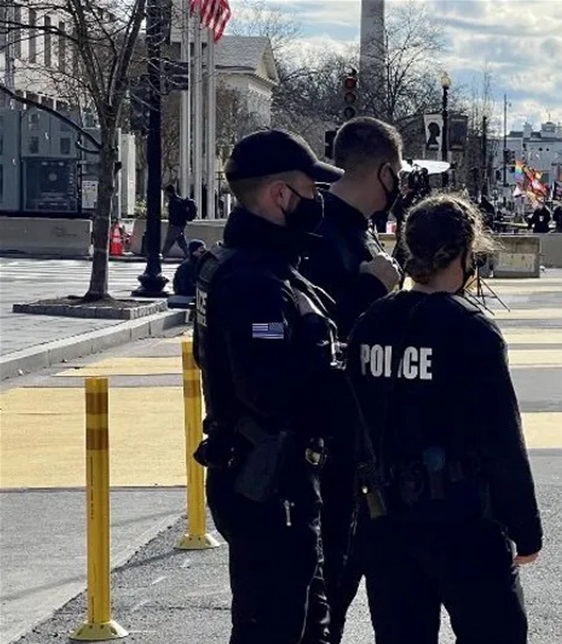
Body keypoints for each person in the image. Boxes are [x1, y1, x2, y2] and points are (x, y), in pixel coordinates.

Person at [347, 194, 543, 643]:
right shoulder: (471, 330)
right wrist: (524, 526)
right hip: (463, 519)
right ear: (464, 252)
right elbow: (501, 438)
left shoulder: (372, 322)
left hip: (386, 518)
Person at [191, 129, 348, 644]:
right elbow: (269, 390)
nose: (317, 202)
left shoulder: (262, 267)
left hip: (274, 477)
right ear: (281, 194)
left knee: (308, 620)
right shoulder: (255, 281)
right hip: (269, 481)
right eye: (310, 190)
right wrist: (338, 386)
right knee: (274, 625)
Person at [298, 116, 404, 644]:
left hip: (361, 436)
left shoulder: (356, 229)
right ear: (384, 171)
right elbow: (316, 335)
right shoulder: (319, 234)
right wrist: (371, 290)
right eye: (397, 172)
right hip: (328, 442)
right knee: (326, 591)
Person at [163, 184, 197, 258]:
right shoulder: (179, 201)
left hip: (175, 226)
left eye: (166, 192)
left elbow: (174, 215)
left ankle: (162, 257)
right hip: (180, 225)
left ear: (169, 192)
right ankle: (189, 256)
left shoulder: (174, 202)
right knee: (181, 243)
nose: (166, 194)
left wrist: (172, 224)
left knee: (169, 242)